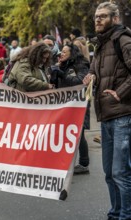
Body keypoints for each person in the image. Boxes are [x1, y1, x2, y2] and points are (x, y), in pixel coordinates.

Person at [83, 2, 131, 219]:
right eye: (96, 17)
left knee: (121, 173)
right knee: (109, 173)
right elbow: (94, 71)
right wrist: (90, 77)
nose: (98, 20)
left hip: (123, 115)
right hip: (106, 116)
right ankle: (115, 213)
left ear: (115, 18)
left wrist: (120, 92)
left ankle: (125, 215)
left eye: (103, 16)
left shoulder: (123, 40)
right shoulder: (100, 44)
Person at [49, 43, 90, 174]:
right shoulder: (62, 65)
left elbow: (79, 82)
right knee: (65, 133)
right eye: (61, 51)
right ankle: (64, 162)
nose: (61, 53)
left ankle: (84, 163)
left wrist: (62, 74)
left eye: (65, 52)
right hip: (66, 104)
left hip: (78, 105)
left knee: (79, 133)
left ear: (72, 54)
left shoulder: (81, 65)